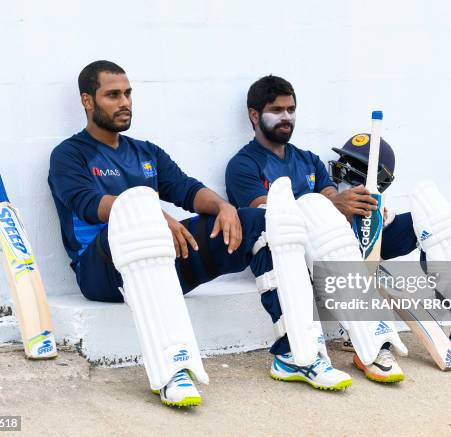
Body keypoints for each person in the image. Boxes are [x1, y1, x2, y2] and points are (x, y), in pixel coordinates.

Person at [48, 62, 351, 407]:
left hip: (163, 256)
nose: (124, 102)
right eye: (112, 95)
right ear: (88, 101)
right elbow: (86, 203)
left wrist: (225, 208)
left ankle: (298, 354)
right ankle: (173, 370)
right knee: (139, 215)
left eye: (128, 93)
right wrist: (147, 212)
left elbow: (185, 189)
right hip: (101, 270)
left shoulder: (146, 152)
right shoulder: (69, 155)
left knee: (265, 220)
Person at [225, 75, 451, 382]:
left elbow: (333, 200)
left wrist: (364, 208)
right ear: (255, 115)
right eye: (277, 110)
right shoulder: (243, 165)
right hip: (307, 256)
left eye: (291, 109)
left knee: (435, 219)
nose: (286, 117)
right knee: (322, 222)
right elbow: (269, 217)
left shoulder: (307, 159)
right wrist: (332, 207)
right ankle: (373, 346)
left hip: (348, 241)